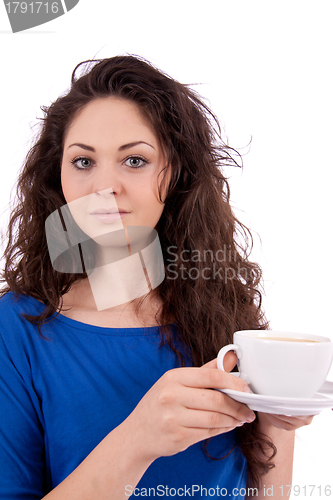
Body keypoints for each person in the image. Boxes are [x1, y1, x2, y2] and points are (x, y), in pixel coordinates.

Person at [0, 55, 314, 500]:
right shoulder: (16, 330)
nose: (104, 187)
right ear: (58, 176)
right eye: (84, 162)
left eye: (134, 160)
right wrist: (137, 441)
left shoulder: (224, 309)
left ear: (176, 175)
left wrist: (277, 424)